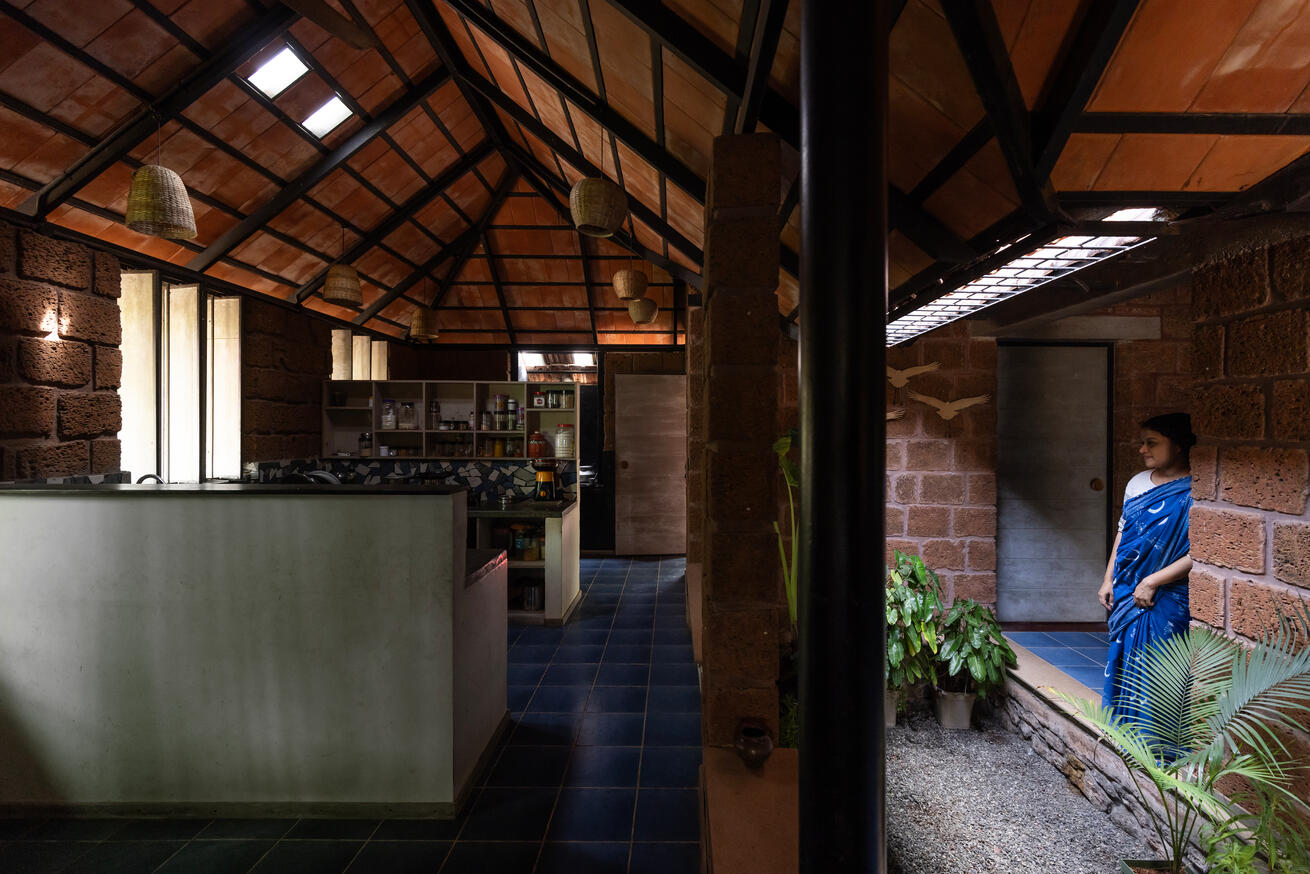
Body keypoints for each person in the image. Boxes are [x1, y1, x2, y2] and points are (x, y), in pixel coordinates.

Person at [1097, 413, 1195, 722]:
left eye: (1151, 443)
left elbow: (1202, 553)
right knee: (1125, 657)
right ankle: (1122, 730)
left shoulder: (1195, 489)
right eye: (1142, 443)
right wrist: (1108, 578)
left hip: (1169, 596)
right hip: (1128, 586)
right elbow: (1123, 532)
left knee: (1162, 667)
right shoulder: (1137, 483)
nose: (1142, 450)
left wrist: (1153, 581)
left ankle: (1158, 744)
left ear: (1178, 445)